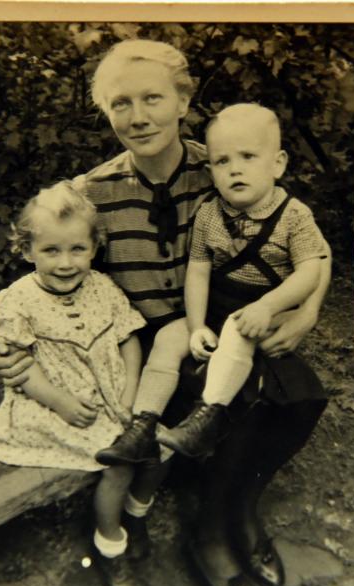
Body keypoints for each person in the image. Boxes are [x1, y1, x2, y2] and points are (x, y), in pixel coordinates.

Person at [0, 39, 331, 586]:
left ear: (184, 101)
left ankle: (241, 507)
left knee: (300, 393)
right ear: (105, 111)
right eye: (121, 103)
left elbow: (308, 244)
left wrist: (307, 312)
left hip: (223, 317)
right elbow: (48, 271)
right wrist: (10, 352)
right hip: (142, 343)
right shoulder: (91, 194)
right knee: (238, 394)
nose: (139, 116)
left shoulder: (224, 162)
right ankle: (212, 538)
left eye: (153, 98)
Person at [97, 102, 327, 463]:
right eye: (222, 162)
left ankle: (206, 419)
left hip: (260, 309)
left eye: (248, 157)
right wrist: (196, 325)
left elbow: (310, 270)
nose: (235, 169)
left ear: (278, 164)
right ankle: (142, 426)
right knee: (167, 339)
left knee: (237, 332)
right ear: (211, 170)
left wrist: (269, 307)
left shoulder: (293, 216)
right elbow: (198, 271)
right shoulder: (210, 212)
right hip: (218, 303)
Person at [0, 180, 148, 586]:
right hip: (49, 405)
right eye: (51, 250)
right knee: (120, 460)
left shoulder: (103, 288)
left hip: (110, 398)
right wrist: (64, 403)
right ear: (27, 250)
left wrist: (128, 396)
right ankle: (111, 544)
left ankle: (135, 514)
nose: (66, 262)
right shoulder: (17, 301)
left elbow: (129, 339)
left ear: (94, 248)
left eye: (77, 249)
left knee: (152, 440)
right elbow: (19, 368)